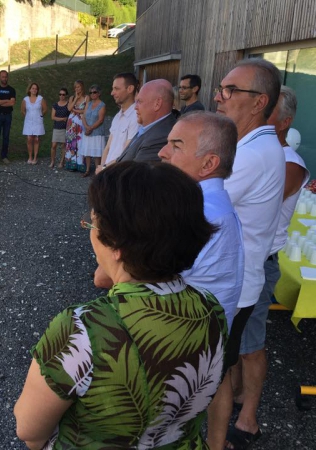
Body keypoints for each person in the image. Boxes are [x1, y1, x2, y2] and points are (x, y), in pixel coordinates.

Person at [14, 161, 227, 450]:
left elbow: (29, 429)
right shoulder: (211, 309)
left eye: (92, 223)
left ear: (115, 245)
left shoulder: (84, 328)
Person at [207, 58, 285, 450]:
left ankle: (216, 441)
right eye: (221, 88)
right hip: (235, 278)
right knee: (221, 367)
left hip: (232, 284)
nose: (219, 98)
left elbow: (198, 201)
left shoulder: (253, 154)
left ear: (259, 103)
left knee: (216, 372)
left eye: (230, 91)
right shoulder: (249, 145)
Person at [229, 86, 309, 450]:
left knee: (251, 344)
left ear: (285, 122)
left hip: (260, 260)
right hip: (243, 258)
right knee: (235, 339)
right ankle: (234, 395)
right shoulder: (254, 151)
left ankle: (250, 419)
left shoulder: (289, 162)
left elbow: (251, 199)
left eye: (268, 111)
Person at [158, 111, 244, 331]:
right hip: (197, 341)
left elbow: (138, 279)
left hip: (181, 341)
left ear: (208, 164)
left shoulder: (196, 212)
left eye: (176, 146)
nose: (162, 153)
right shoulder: (210, 205)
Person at [117, 79, 177, 163]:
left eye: (139, 101)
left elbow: (134, 174)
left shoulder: (160, 137)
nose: (135, 107)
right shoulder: (149, 127)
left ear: (157, 104)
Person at [98, 72, 138, 170]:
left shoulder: (137, 117)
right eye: (113, 89)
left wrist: (104, 169)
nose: (112, 93)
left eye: (116, 89)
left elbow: (127, 153)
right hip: (108, 172)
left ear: (130, 89)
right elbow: (107, 147)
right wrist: (102, 168)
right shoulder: (117, 116)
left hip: (119, 173)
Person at [0, 70, 16, 165]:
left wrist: (0, 101)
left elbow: (12, 103)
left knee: (6, 137)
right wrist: (6, 101)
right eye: (2, 77)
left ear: (7, 78)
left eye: (6, 77)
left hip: (8, 116)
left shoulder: (11, 90)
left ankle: (4, 156)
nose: (4, 78)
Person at [79, 84, 106, 177]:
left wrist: (90, 128)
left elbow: (100, 120)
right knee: (87, 152)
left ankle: (97, 171)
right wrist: (86, 127)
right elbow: (84, 116)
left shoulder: (102, 105)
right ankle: (87, 170)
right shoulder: (89, 104)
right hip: (87, 131)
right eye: (90, 92)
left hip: (97, 132)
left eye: (94, 92)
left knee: (97, 153)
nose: (92, 94)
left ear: (99, 93)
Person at [64, 80, 88, 172]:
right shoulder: (72, 97)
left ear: (82, 87)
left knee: (80, 141)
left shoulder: (86, 98)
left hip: (81, 122)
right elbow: (69, 109)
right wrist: (76, 99)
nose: (77, 89)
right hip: (71, 124)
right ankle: (71, 163)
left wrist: (75, 111)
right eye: (76, 87)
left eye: (79, 87)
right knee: (71, 142)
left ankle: (80, 164)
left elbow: (85, 111)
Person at [21, 82, 47, 165]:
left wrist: (40, 115)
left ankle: (35, 157)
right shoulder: (25, 99)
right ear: (29, 89)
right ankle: (30, 156)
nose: (34, 90)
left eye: (36, 89)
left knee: (36, 139)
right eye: (33, 88)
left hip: (37, 121)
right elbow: (22, 110)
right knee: (29, 139)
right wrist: (27, 116)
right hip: (28, 121)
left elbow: (45, 109)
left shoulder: (40, 99)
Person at [49, 87, 69, 169]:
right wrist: (62, 119)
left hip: (65, 128)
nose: (61, 96)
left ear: (66, 95)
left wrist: (64, 119)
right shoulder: (55, 105)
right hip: (56, 127)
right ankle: (52, 161)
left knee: (63, 145)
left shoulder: (68, 104)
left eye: (63, 94)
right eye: (60, 94)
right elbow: (52, 117)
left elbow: (69, 116)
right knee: (54, 145)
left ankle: (62, 162)